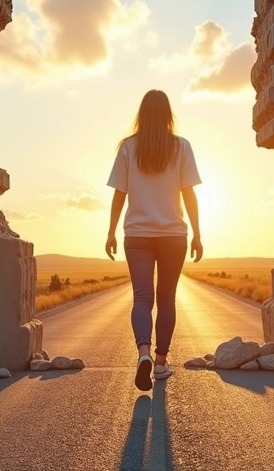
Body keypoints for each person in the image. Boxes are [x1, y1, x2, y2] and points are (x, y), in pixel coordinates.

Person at [105, 89, 203, 392]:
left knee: (142, 299)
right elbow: (189, 193)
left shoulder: (127, 148)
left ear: (142, 115)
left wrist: (110, 232)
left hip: (136, 235)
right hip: (174, 235)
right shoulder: (181, 147)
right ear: (168, 115)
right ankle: (160, 362)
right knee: (167, 299)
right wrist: (198, 233)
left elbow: (119, 194)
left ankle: (143, 353)